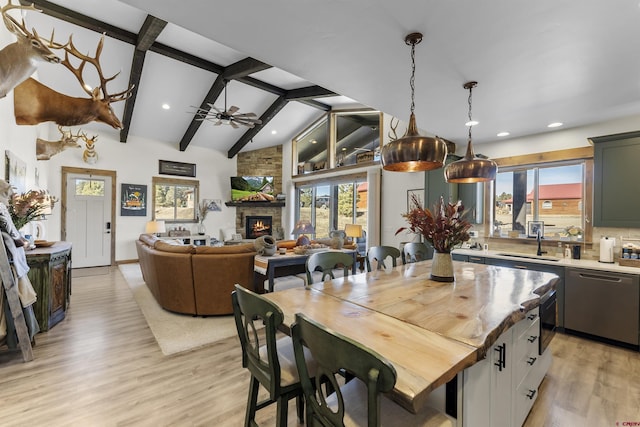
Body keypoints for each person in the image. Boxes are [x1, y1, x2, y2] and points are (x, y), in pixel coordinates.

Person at [0, 179, 39, 347]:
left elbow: (13, 235)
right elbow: (14, 236)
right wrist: (25, 244)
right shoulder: (1, 209)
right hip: (8, 268)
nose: (9, 200)